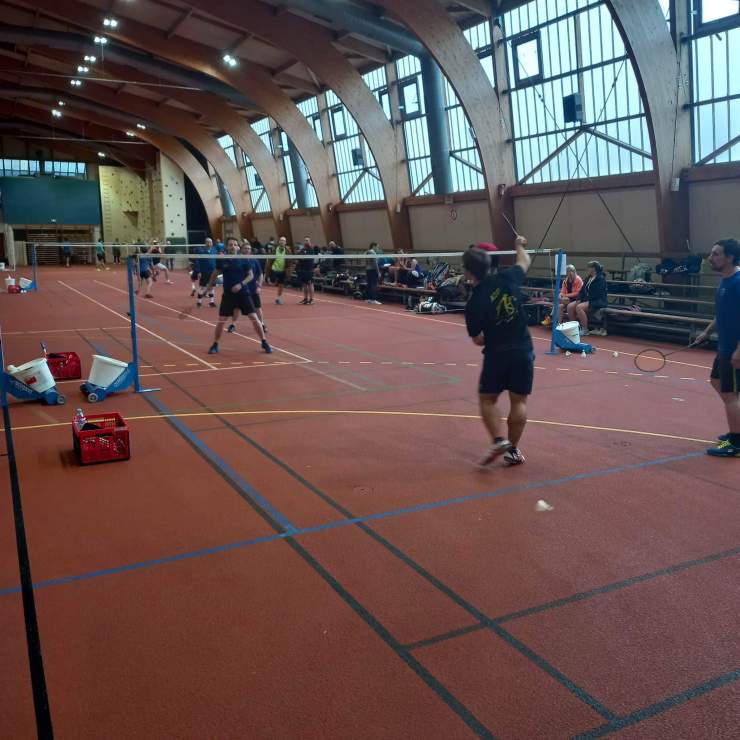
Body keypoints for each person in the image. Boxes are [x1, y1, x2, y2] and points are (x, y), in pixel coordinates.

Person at [464, 236, 533, 467]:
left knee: (487, 399)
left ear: (468, 272)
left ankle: (498, 439)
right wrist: (519, 245)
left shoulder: (474, 302)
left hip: (497, 355)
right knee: (519, 401)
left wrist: (493, 332)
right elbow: (525, 261)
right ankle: (512, 450)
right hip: (523, 350)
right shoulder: (508, 276)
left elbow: (477, 339)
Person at [696, 238, 740, 458]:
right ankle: (737, 427)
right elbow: (722, 313)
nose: (710, 258)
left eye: (715, 254)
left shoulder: (738, 282)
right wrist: (707, 332)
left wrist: (739, 350)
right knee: (717, 382)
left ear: (729, 257)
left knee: (730, 394)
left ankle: (737, 443)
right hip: (724, 347)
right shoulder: (725, 280)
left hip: (734, 349)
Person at [207, 237, 271, 355]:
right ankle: (215, 344)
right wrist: (209, 287)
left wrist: (240, 284)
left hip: (243, 293)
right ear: (227, 247)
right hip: (228, 295)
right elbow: (214, 274)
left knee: (254, 317)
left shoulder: (243, 259)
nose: (233, 246)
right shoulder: (223, 260)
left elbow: (251, 276)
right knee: (221, 320)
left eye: (235, 244)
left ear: (237, 247)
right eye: (230, 245)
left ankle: (264, 342)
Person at [228, 241, 267, 335]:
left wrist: (259, 286)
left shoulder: (254, 261)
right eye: (245, 248)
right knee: (236, 308)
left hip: (253, 289)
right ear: (241, 249)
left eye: (249, 249)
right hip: (241, 289)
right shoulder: (238, 260)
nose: (247, 250)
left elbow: (260, 274)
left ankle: (262, 324)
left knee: (257, 308)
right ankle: (233, 325)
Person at [567, 260, 608, 336]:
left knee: (579, 307)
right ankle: (574, 328)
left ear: (593, 269)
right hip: (587, 300)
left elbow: (597, 294)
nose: (587, 269)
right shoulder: (588, 278)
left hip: (598, 301)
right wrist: (579, 299)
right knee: (570, 306)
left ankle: (585, 329)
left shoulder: (600, 278)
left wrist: (583, 300)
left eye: (589, 268)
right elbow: (582, 290)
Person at [192, 238, 216, 307]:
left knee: (212, 287)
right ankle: (199, 302)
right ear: (205, 243)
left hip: (213, 272)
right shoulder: (201, 252)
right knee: (202, 287)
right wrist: (199, 271)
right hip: (204, 272)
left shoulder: (214, 250)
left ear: (212, 243)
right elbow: (197, 262)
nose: (209, 244)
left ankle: (211, 302)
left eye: (210, 242)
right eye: (207, 242)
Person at [297, 237, 316, 305]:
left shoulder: (311, 249)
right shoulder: (302, 249)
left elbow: (307, 258)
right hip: (302, 269)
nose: (306, 241)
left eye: (307, 240)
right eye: (305, 240)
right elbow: (299, 257)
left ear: (309, 241)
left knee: (310, 284)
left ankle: (312, 299)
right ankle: (305, 299)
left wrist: (302, 257)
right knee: (304, 285)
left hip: (309, 270)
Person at [271, 236, 288, 304]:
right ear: (279, 242)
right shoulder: (274, 249)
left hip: (282, 270)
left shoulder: (288, 250)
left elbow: (290, 260)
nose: (282, 242)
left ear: (285, 242)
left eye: (283, 240)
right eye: (281, 240)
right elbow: (269, 260)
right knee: (273, 284)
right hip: (274, 270)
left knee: (281, 285)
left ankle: (279, 298)